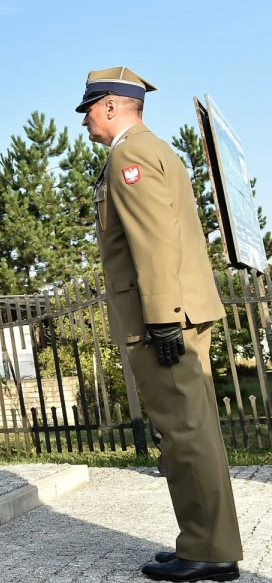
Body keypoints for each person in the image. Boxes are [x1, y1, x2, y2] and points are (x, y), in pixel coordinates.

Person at [77, 66, 241, 582]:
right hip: (179, 310)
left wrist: (163, 319)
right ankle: (205, 540)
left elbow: (153, 240)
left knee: (184, 434)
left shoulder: (129, 154)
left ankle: (209, 552)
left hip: (165, 318)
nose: (84, 123)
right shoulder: (156, 149)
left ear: (110, 105)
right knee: (194, 431)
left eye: (88, 111)